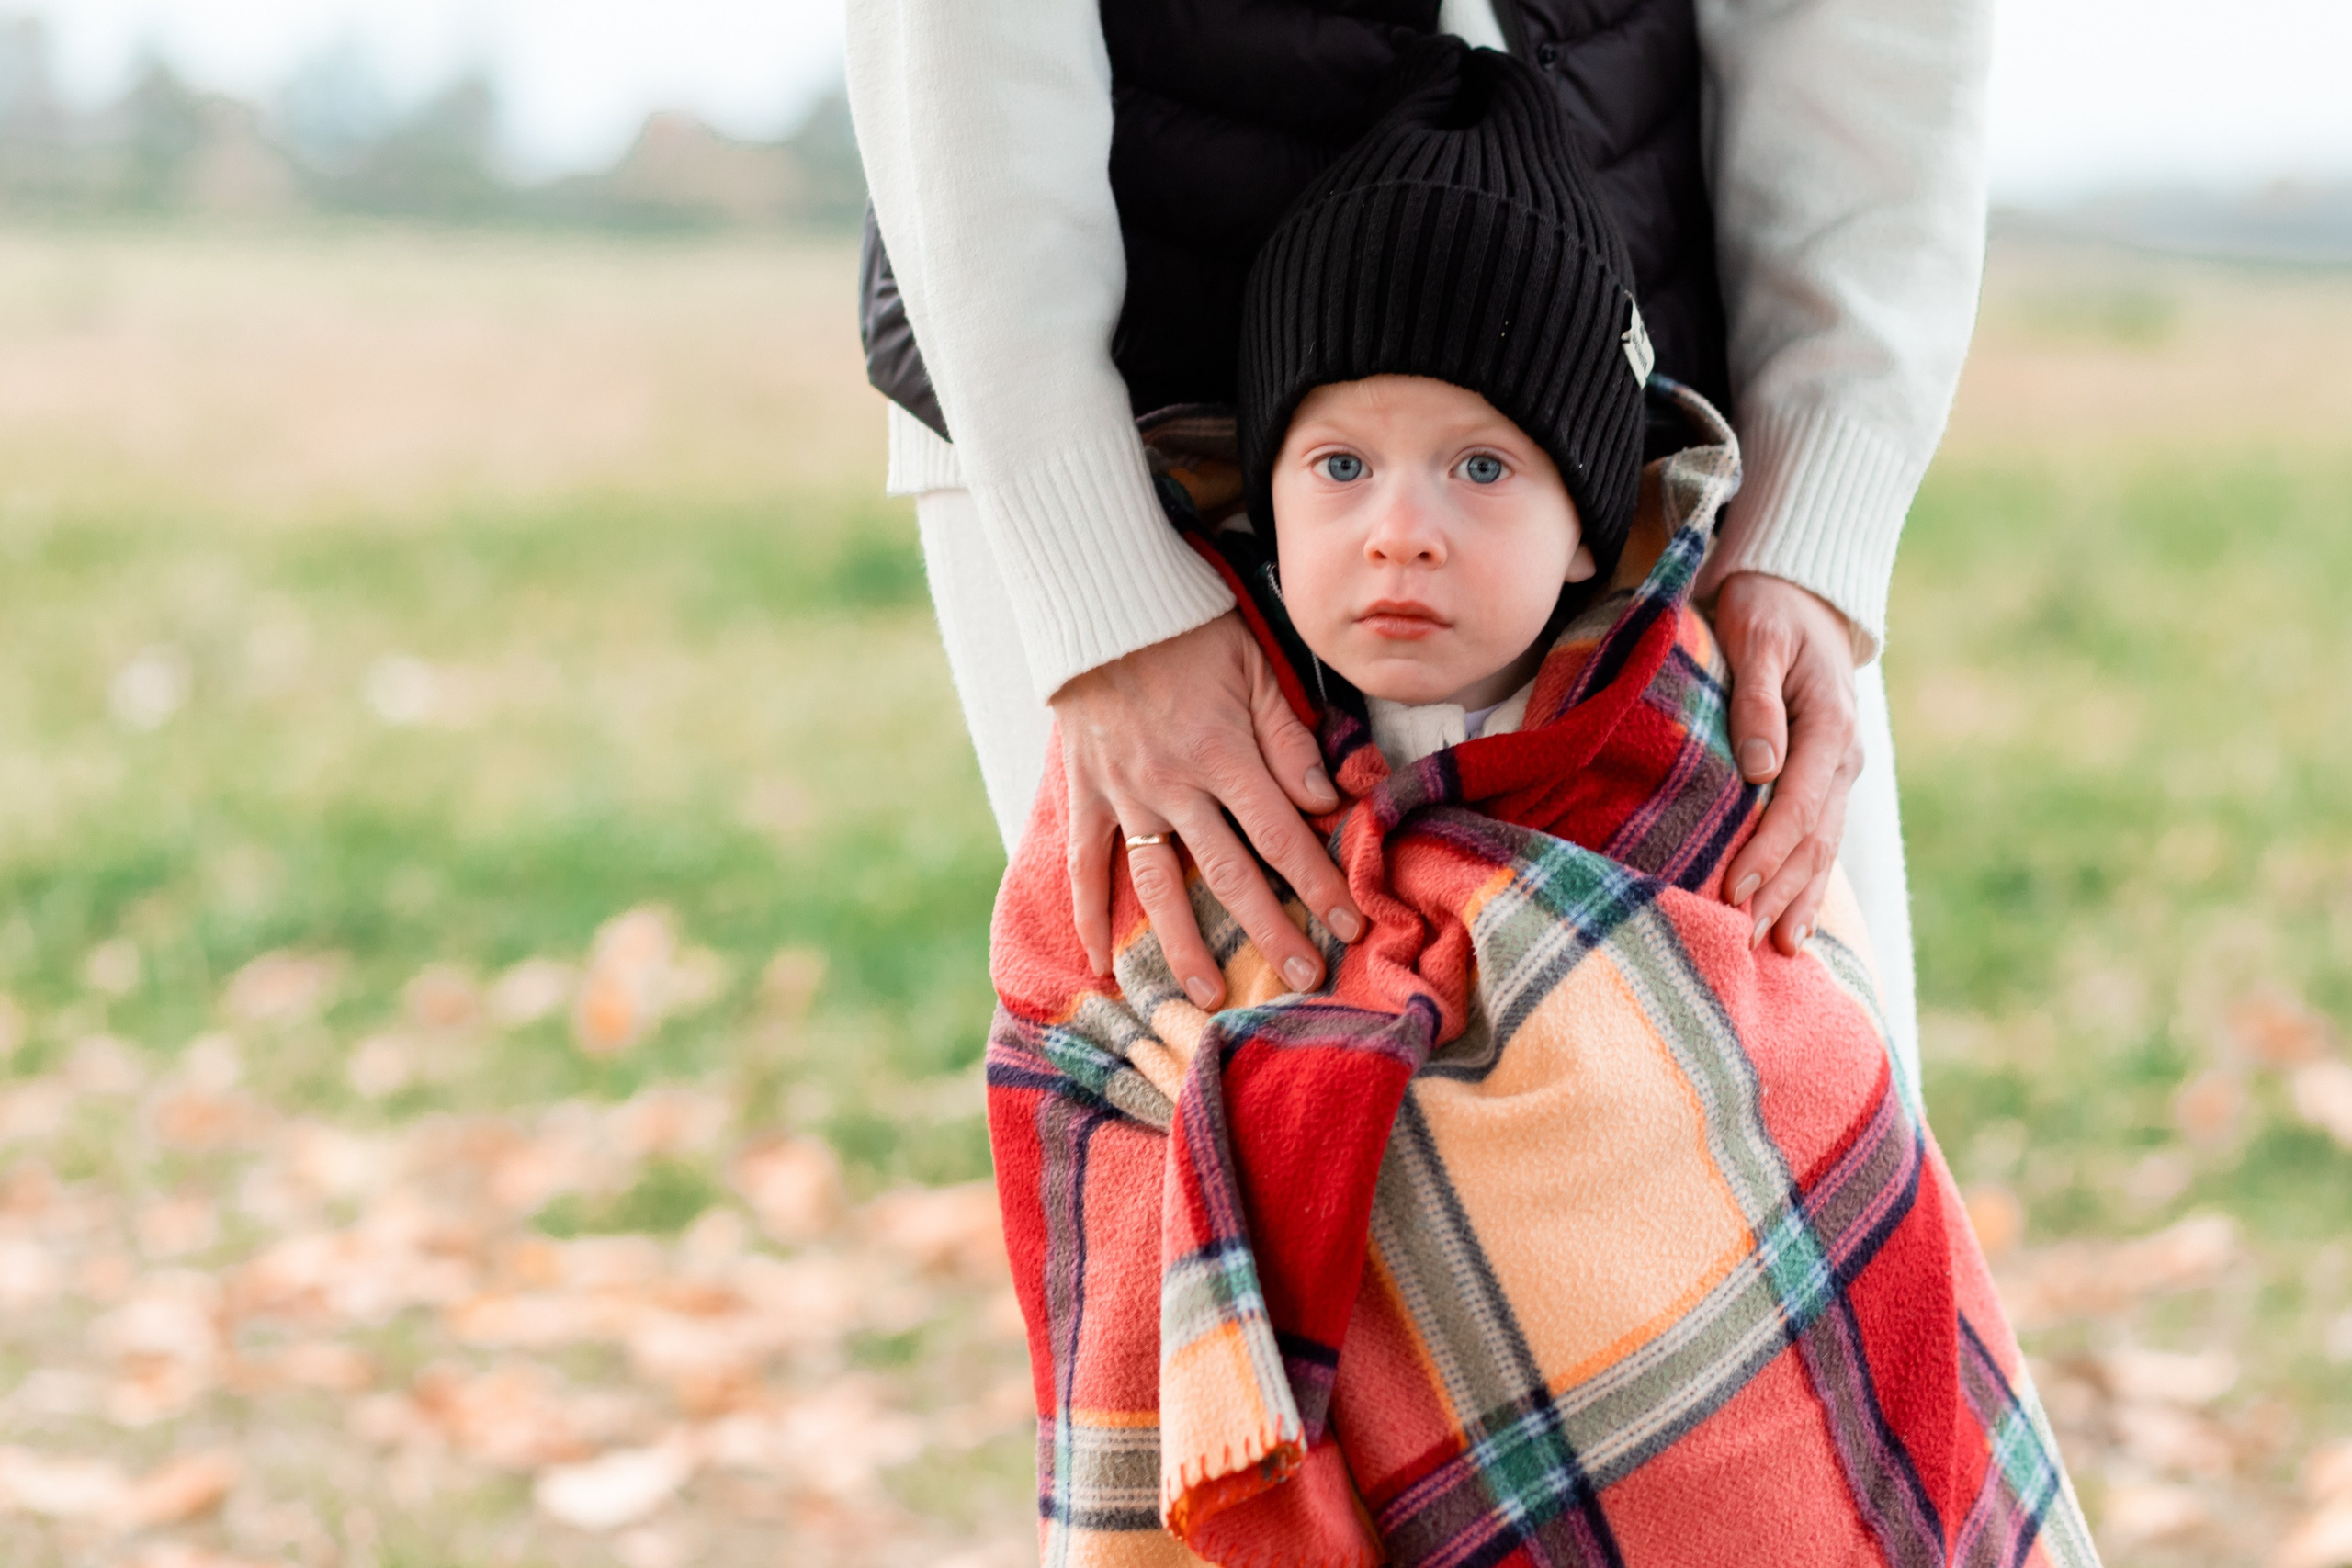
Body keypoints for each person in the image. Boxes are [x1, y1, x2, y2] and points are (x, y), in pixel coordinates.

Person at [979, 42, 2094, 1562]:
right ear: (1262, 481)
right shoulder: (1173, 794)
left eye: (1484, 467)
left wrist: (1826, 514)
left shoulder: (1693, 759)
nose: (1402, 534)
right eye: (1343, 465)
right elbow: (1084, 1038)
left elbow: (1791, 1107)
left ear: (1596, 524)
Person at [844, 0, 1990, 1089]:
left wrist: (1817, 506)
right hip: (1116, 416)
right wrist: (1097, 573)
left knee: (1787, 1123)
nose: (1399, 539)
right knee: (1224, 1166)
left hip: (1642, 432)